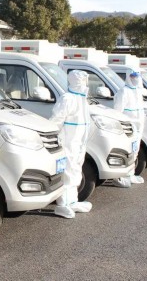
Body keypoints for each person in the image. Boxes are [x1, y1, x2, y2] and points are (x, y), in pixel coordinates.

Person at [49, 70, 94, 219]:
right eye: (84, 80)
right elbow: (56, 120)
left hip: (79, 143)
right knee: (67, 171)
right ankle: (62, 204)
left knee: (75, 170)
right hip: (68, 142)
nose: (86, 83)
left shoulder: (82, 100)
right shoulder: (67, 98)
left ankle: (72, 201)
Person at [112, 69, 147, 184]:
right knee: (126, 150)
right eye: (133, 76)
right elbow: (118, 111)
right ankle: (120, 176)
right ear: (128, 77)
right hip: (128, 126)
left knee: (135, 150)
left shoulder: (138, 91)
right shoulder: (124, 91)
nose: (135, 79)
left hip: (138, 125)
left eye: (137, 76)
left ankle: (130, 174)